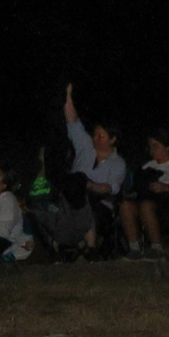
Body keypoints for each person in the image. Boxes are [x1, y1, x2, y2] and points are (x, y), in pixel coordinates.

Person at [60, 85, 131, 251]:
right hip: (73, 200)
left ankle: (87, 248)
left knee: (84, 196)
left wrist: (88, 185)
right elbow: (73, 121)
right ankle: (80, 247)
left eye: (101, 136)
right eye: (95, 135)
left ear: (112, 139)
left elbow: (111, 188)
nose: (95, 138)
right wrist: (68, 96)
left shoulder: (118, 163)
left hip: (101, 206)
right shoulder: (86, 146)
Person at [117, 133, 169, 257]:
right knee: (125, 205)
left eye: (155, 145)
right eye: (150, 146)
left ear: (167, 147)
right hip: (146, 204)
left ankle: (156, 248)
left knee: (146, 205)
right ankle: (134, 248)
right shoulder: (147, 166)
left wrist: (165, 187)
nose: (152, 149)